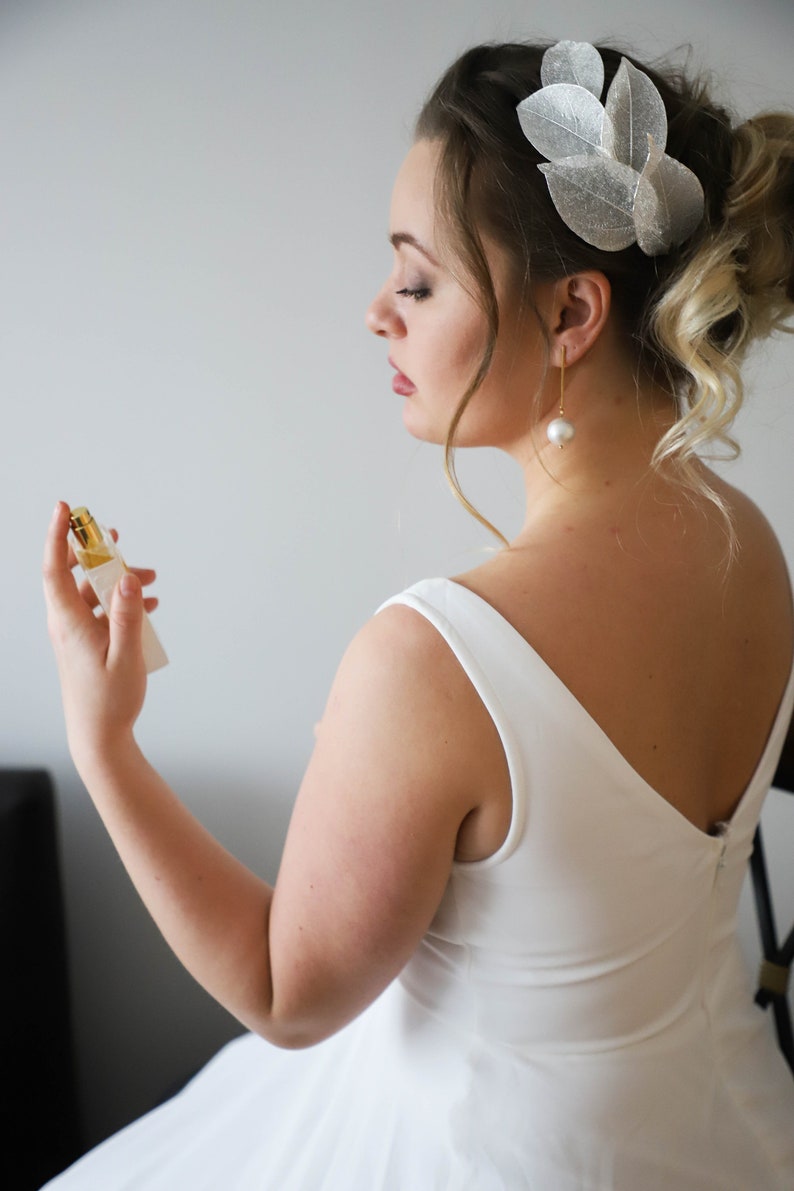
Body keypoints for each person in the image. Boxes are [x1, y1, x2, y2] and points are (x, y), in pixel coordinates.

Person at [42, 38, 794, 1191]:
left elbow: (286, 996)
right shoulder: (750, 545)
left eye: (417, 279)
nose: (375, 316)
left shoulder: (433, 660)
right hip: (724, 1130)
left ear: (571, 314)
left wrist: (105, 745)